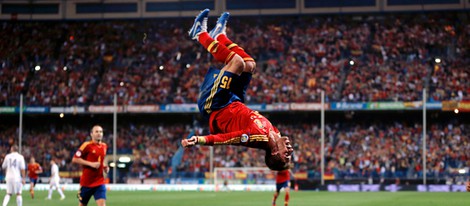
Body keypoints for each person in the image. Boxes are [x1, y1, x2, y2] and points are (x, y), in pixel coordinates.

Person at [181, 9, 294, 171]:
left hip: (217, 105)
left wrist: (199, 139)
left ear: (275, 152)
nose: (290, 150)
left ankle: (199, 33)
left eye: (286, 155)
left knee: (237, 63)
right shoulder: (275, 132)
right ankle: (219, 35)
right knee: (250, 65)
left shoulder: (256, 138)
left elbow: (226, 138)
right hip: (234, 100)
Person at [72, 125, 109, 206]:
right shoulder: (86, 145)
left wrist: (104, 167)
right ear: (91, 134)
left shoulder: (104, 146)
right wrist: (91, 164)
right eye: (96, 131)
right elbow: (75, 159)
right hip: (86, 183)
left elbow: (100, 161)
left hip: (99, 182)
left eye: (101, 132)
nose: (99, 133)